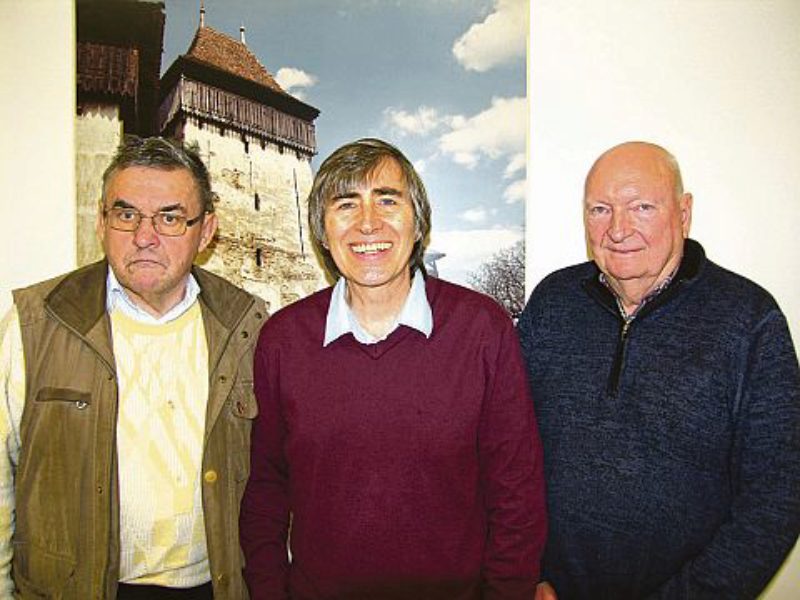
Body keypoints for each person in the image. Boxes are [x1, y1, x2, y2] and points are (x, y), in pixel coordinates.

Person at [240, 138, 546, 599]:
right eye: (346, 204)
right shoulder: (283, 340)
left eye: (387, 200)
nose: (368, 223)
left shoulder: (484, 329)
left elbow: (516, 493)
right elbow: (266, 489)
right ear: (322, 231)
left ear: (418, 222)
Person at [517, 141, 800, 599]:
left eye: (642, 207)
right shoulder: (552, 302)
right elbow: (504, 448)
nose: (618, 229)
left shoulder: (749, 319)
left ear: (684, 213)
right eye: (600, 209)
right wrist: (523, 574)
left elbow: (777, 496)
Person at [0, 136, 267, 599]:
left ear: (206, 232)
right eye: (126, 215)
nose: (144, 236)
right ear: (102, 223)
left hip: (217, 587)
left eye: (169, 217)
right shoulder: (35, 323)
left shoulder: (248, 326)